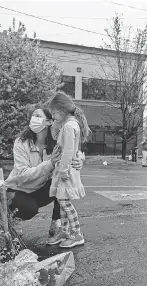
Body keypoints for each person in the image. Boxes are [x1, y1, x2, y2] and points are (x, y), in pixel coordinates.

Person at [5, 108, 84, 238]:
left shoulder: (56, 140)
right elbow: (22, 174)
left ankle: (56, 222)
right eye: (32, 116)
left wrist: (80, 160)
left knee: (62, 184)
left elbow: (73, 149)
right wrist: (50, 163)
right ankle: (14, 218)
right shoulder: (21, 142)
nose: (33, 119)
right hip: (19, 189)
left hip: (40, 188)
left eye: (37, 116)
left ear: (48, 122)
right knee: (29, 208)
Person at [47, 92, 91, 248]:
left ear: (60, 110)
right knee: (62, 200)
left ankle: (77, 233)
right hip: (65, 169)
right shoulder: (69, 125)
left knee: (65, 202)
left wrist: (64, 170)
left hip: (66, 171)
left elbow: (68, 151)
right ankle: (65, 230)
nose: (53, 117)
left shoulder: (69, 126)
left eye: (53, 113)